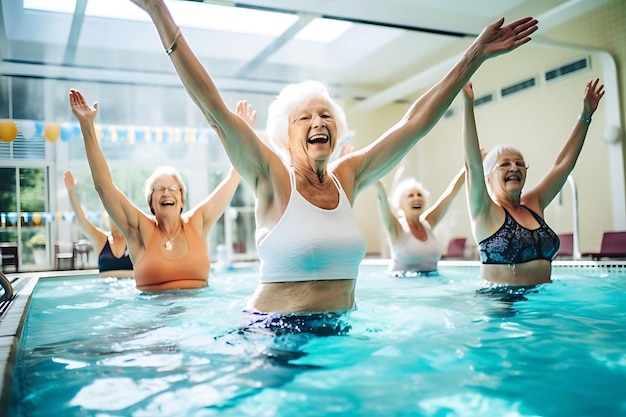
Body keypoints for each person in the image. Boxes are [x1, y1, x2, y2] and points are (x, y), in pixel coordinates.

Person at [129, 0, 538, 313]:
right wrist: (159, 12)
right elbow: (212, 105)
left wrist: (474, 57)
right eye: (303, 117)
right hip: (277, 335)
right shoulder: (271, 174)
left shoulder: (348, 175)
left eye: (325, 114)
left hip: (340, 332)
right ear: (285, 138)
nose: (317, 121)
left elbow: (414, 123)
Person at [68, 89, 256, 291]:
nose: (166, 192)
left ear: (182, 199)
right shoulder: (139, 229)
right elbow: (104, 186)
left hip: (199, 312)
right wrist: (87, 126)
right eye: (159, 189)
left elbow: (233, 176)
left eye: (173, 188)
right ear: (151, 202)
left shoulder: (198, 222)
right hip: (154, 317)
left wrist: (242, 133)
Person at [462, 79, 604, 286]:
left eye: (520, 163)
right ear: (489, 179)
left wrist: (586, 115)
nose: (514, 167)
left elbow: (562, 165)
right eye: (504, 164)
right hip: (502, 307)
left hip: (542, 303)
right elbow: (473, 165)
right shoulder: (484, 211)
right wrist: (468, 105)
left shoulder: (533, 203)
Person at [375, 167, 465, 276]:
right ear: (400, 204)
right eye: (410, 196)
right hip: (402, 285)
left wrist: (469, 166)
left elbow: (450, 193)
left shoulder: (428, 222)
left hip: (431, 283)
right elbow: (383, 200)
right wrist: (376, 181)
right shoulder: (397, 228)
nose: (416, 198)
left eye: (419, 195)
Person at [64, 170, 134, 278]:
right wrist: (71, 191)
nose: (116, 221)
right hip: (104, 290)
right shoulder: (101, 239)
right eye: (113, 217)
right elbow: (82, 221)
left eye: (119, 217)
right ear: (108, 219)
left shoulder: (134, 239)